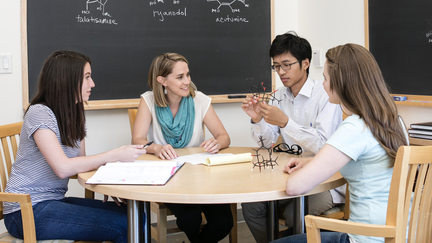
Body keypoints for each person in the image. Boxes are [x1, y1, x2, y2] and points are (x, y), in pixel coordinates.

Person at [4, 51, 148, 243]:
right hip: (25, 211)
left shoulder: (75, 114)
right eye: (87, 77)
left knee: (135, 216)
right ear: (67, 80)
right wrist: (114, 154)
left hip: (53, 201)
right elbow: (63, 168)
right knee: (122, 225)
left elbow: (80, 163)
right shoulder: (39, 113)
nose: (93, 84)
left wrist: (109, 184)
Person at [271, 43, 408, 243]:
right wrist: (312, 163)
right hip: (403, 232)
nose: (323, 85)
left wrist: (306, 170)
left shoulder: (355, 127)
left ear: (341, 82)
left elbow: (294, 187)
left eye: (325, 78)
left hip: (368, 238)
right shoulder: (393, 120)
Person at [240, 31, 344, 242]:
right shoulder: (278, 96)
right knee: (251, 207)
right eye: (276, 66)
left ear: (305, 63)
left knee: (293, 214)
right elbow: (267, 143)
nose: (281, 71)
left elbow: (325, 146)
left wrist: (286, 123)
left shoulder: (326, 95)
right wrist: (257, 120)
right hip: (289, 175)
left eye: (286, 64)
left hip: (324, 180)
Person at [131, 52, 233, 243]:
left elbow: (224, 137)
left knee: (224, 223)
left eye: (188, 74)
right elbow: (137, 140)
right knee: (189, 218)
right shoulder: (148, 100)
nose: (187, 81)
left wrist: (217, 142)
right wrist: (156, 148)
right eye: (180, 77)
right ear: (162, 80)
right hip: (170, 176)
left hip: (202, 176)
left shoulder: (200, 100)